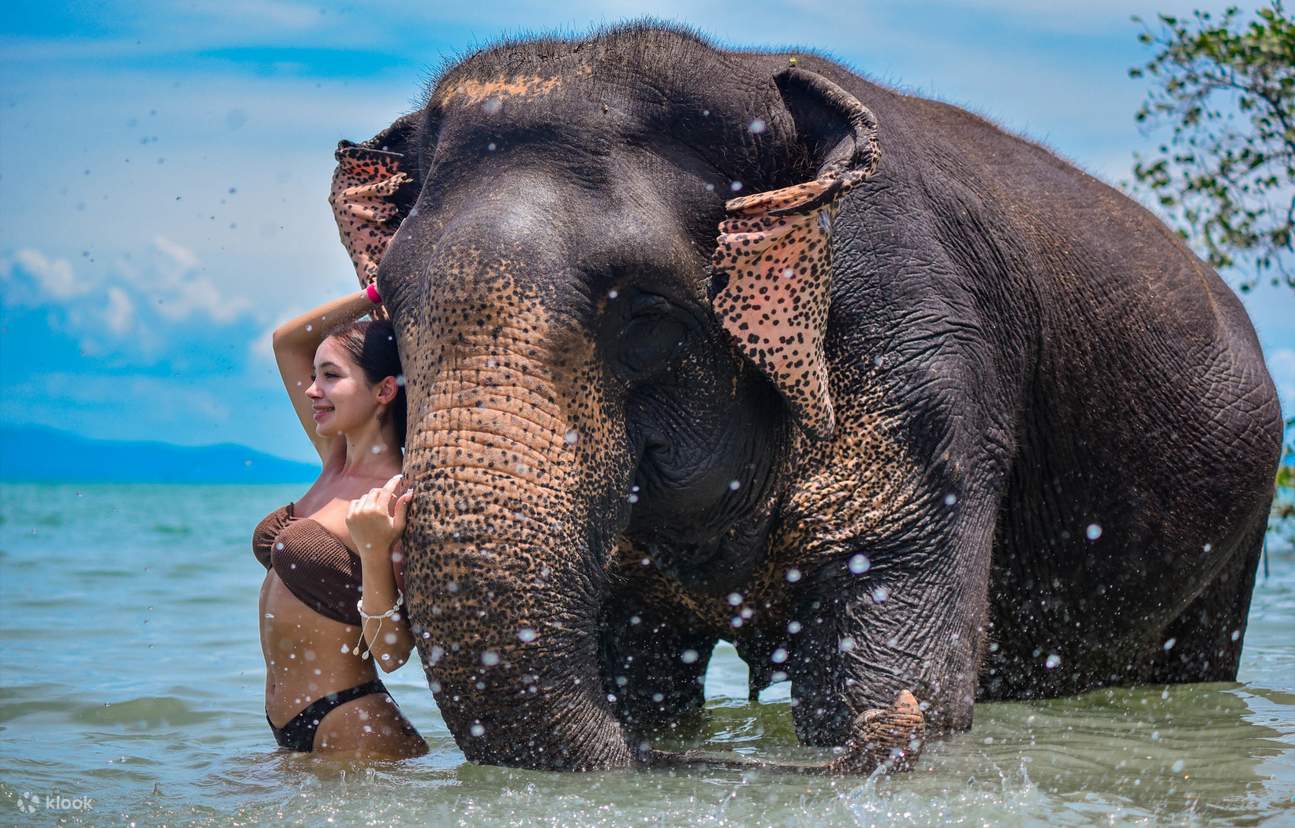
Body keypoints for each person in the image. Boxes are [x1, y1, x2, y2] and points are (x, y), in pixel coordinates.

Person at [251, 284, 427, 758]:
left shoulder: (395, 495)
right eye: (314, 376)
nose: (313, 390)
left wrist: (373, 550)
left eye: (330, 376)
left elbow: (392, 653)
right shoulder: (334, 457)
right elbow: (287, 341)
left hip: (350, 721)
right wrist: (379, 290)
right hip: (293, 728)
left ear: (384, 390)